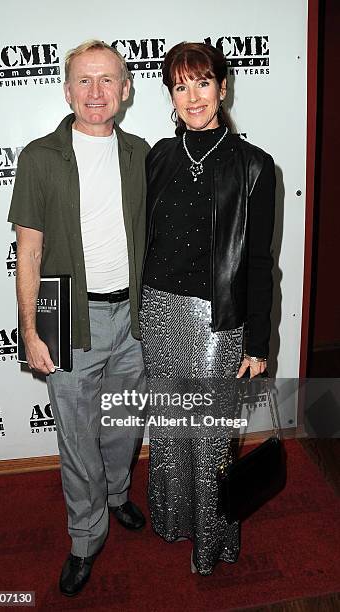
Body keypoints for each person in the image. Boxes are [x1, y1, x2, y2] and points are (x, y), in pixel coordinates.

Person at [8, 39, 150, 596]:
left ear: (125, 89)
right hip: (67, 313)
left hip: (136, 314)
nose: (96, 92)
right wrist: (30, 327)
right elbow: (30, 250)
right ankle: (85, 538)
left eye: (108, 79)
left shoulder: (143, 154)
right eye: (84, 81)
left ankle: (117, 494)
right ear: (67, 91)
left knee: (122, 423)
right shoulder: (40, 157)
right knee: (76, 436)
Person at [139, 42, 276, 575]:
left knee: (212, 433)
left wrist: (259, 342)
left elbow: (261, 263)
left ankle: (213, 542)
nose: (192, 96)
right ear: (171, 96)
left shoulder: (255, 166)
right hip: (157, 310)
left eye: (202, 82)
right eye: (180, 85)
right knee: (171, 427)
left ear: (223, 87)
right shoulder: (159, 157)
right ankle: (173, 521)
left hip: (217, 320)